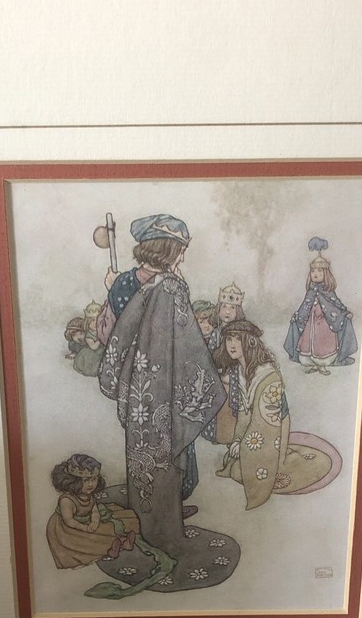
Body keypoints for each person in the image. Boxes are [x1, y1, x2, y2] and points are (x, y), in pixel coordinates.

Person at [98, 215, 239, 570]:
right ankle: (166, 532)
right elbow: (186, 344)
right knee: (167, 456)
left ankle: (152, 523)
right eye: (180, 250)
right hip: (165, 389)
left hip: (140, 389)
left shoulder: (131, 283)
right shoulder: (172, 287)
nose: (183, 257)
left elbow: (114, 329)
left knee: (144, 455)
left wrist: (113, 290)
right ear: (168, 251)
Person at [213, 320, 337, 510]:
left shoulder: (267, 375)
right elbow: (244, 413)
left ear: (250, 342)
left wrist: (243, 445)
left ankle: (278, 460)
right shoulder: (238, 371)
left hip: (275, 429)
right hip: (254, 429)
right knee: (235, 467)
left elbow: (266, 422)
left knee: (243, 471)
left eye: (237, 339)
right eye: (229, 339)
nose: (232, 344)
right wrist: (238, 440)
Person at [45, 454, 140, 569]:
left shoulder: (89, 496)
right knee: (89, 539)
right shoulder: (66, 500)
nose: (91, 484)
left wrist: (95, 521)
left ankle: (123, 543)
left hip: (87, 520)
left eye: (94, 479)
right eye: (86, 481)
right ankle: (113, 545)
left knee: (110, 524)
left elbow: (95, 511)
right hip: (69, 528)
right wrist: (84, 527)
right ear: (73, 481)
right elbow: (69, 520)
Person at [283, 238, 357, 373]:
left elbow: (336, 304)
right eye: (313, 271)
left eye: (319, 271)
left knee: (323, 346)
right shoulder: (310, 291)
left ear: (326, 274)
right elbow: (304, 306)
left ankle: (322, 364)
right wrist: (297, 316)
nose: (315, 274)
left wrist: (345, 314)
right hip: (310, 325)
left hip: (325, 326)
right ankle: (312, 363)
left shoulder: (328, 292)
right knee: (308, 345)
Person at [207, 282, 246, 352]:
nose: (227, 312)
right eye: (224, 307)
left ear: (238, 312)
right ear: (218, 310)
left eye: (232, 308)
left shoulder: (241, 333)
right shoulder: (216, 333)